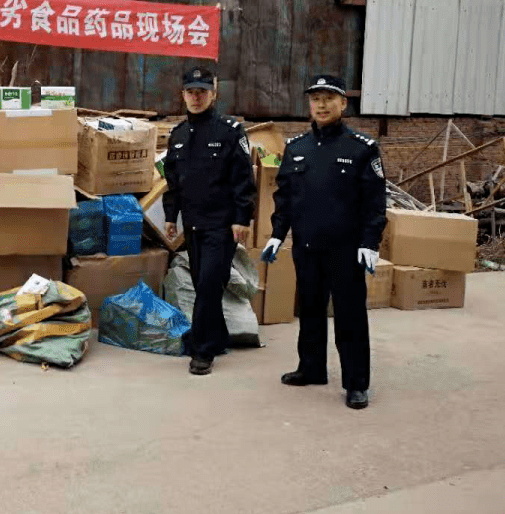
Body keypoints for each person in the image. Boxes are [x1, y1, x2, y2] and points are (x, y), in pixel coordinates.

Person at [261, 74, 387, 409]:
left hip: (345, 250)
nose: (321, 104)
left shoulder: (361, 148)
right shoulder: (297, 148)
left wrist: (370, 242)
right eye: (315, 98)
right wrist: (277, 234)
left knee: (349, 317)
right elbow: (285, 197)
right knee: (311, 312)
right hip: (307, 247)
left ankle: (356, 383)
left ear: (343, 103)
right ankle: (312, 368)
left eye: (329, 98)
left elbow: (375, 203)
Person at [163, 67, 257, 376]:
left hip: (222, 224)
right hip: (192, 224)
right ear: (183, 95)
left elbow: (243, 178)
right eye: (191, 92)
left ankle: (202, 351)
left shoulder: (229, 131)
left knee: (206, 285)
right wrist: (169, 218)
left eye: (202, 92)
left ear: (213, 94)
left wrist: (242, 218)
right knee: (205, 283)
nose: (196, 97)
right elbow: (173, 183)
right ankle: (216, 337)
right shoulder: (177, 136)